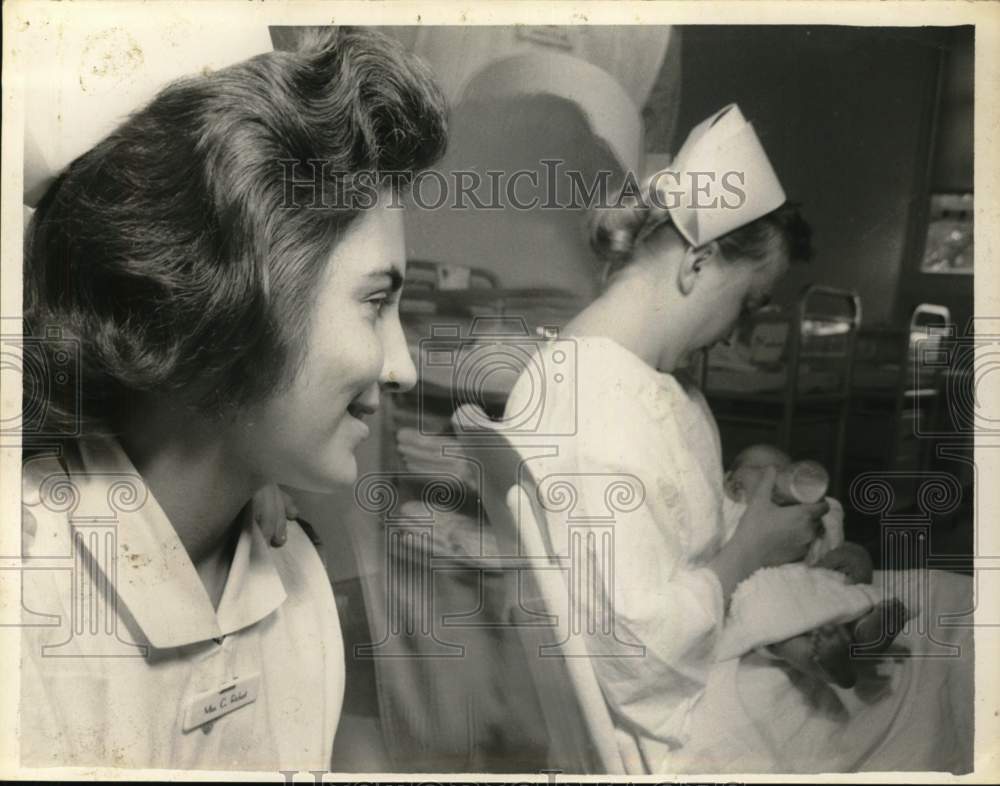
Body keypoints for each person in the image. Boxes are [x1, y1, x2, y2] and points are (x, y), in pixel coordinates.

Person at [19, 28, 446, 770]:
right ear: (222, 302)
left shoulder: (299, 584)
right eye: (376, 303)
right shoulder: (24, 608)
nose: (403, 367)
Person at [504, 104, 973, 773]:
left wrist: (795, 552)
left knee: (953, 600)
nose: (739, 333)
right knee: (963, 631)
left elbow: (690, 538)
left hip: (714, 658)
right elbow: (634, 661)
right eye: (749, 304)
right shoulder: (587, 404)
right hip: (684, 722)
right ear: (696, 263)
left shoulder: (652, 386)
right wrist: (752, 549)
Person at [718, 444, 909, 689]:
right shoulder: (729, 509)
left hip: (806, 580)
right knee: (774, 626)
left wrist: (828, 528)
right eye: (758, 468)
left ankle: (870, 632)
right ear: (732, 482)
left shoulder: (803, 516)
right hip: (759, 588)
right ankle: (822, 662)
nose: (773, 474)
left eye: (782, 470)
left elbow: (826, 553)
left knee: (848, 581)